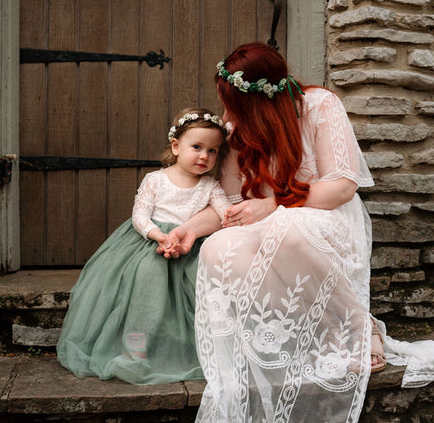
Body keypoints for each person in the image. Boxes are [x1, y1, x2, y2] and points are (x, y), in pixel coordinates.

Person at [160, 43, 380, 422]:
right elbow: (232, 207)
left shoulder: (319, 106)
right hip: (267, 225)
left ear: (261, 103)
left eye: (234, 106)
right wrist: (192, 229)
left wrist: (275, 204)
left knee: (290, 227)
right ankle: (281, 341)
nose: (226, 115)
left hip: (325, 217)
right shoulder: (235, 132)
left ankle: (357, 329)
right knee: (220, 249)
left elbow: (343, 186)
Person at [56, 107, 231, 385]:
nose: (204, 156)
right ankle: (134, 351)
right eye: (196, 147)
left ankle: (190, 351)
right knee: (143, 300)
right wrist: (157, 235)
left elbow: (225, 212)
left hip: (189, 248)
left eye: (213, 151)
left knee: (194, 300)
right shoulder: (156, 179)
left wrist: (233, 217)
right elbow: (139, 215)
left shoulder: (210, 185)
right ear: (176, 146)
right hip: (149, 247)